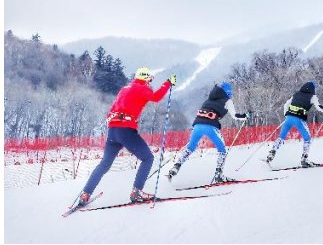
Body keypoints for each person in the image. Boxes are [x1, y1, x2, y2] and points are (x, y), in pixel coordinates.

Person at [78, 67, 176, 205]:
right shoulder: (142, 88)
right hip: (126, 130)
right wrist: (168, 83)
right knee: (148, 158)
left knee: (104, 165)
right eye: (150, 80)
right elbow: (156, 97)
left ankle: (85, 193)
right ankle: (137, 191)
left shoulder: (124, 88)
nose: (150, 83)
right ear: (146, 78)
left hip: (113, 131)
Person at [167, 82, 251, 183]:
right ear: (228, 92)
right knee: (222, 150)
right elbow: (235, 116)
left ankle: (176, 166)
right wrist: (246, 116)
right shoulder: (227, 100)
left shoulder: (209, 99)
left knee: (190, 148)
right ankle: (218, 175)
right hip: (211, 126)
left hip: (197, 125)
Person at [265, 82, 323, 167]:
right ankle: (304, 159)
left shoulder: (296, 94)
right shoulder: (313, 97)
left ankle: (272, 153)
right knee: (307, 138)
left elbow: (286, 104)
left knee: (281, 137)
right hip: (299, 120)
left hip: (288, 119)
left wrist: (286, 114)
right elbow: (319, 107)